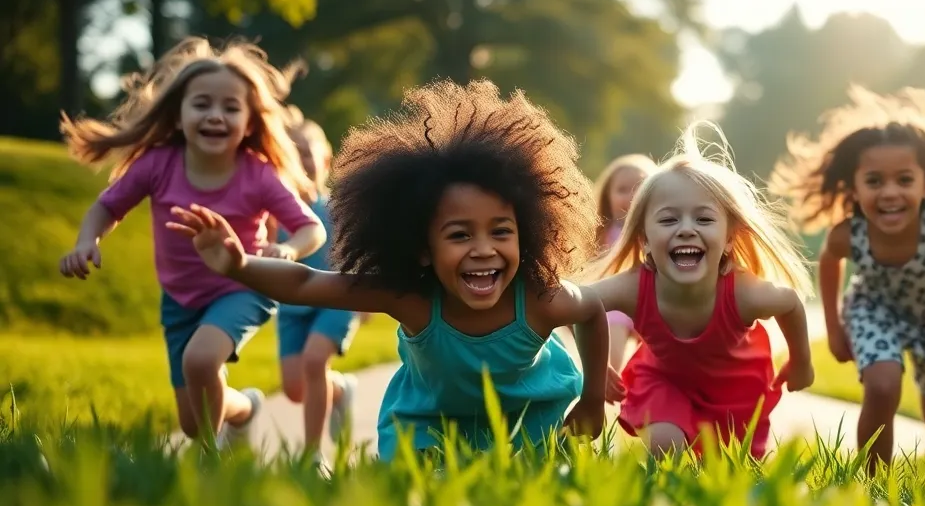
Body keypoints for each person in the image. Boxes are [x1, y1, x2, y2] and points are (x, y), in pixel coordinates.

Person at [168, 79, 612, 461]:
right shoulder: (414, 300)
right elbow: (306, 282)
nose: (483, 250)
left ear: (528, 232)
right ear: (421, 249)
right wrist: (238, 264)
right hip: (428, 428)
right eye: (459, 235)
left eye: (501, 232)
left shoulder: (539, 298)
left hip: (533, 420)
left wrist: (592, 397)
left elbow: (591, 312)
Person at [59, 37, 323, 449]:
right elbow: (107, 208)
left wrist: (287, 250)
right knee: (193, 422)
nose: (215, 115)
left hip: (243, 285)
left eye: (230, 108)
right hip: (180, 298)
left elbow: (311, 229)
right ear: (179, 116)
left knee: (201, 361)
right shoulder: (158, 165)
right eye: (202, 104)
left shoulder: (258, 175)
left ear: (250, 123)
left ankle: (209, 471)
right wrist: (86, 241)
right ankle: (246, 410)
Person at [772, 86, 925, 480]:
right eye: (874, 181)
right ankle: (875, 487)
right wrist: (834, 325)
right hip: (875, 309)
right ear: (854, 187)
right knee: (881, 387)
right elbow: (829, 262)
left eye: (904, 180)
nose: (890, 193)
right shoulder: (849, 233)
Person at [586, 123, 815, 460]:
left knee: (726, 469)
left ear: (730, 238)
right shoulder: (635, 286)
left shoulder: (744, 293)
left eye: (704, 220)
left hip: (735, 390)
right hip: (664, 380)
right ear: (644, 239)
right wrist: (595, 367)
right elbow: (576, 304)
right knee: (665, 445)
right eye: (668, 221)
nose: (686, 230)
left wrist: (802, 362)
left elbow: (790, 304)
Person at [272, 109, 361, 465]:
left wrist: (367, 298)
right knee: (296, 389)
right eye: (293, 154)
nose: (302, 162)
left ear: (326, 160)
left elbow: (359, 251)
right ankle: (340, 390)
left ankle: (312, 456)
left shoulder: (337, 208)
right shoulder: (274, 211)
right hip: (292, 306)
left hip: (336, 300)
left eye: (308, 153)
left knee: (313, 362)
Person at [592, 154, 657, 370]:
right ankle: (607, 387)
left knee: (655, 357)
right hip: (616, 306)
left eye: (639, 188)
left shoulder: (660, 232)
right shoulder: (603, 234)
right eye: (622, 190)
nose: (631, 197)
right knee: (612, 358)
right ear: (607, 198)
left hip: (652, 305)